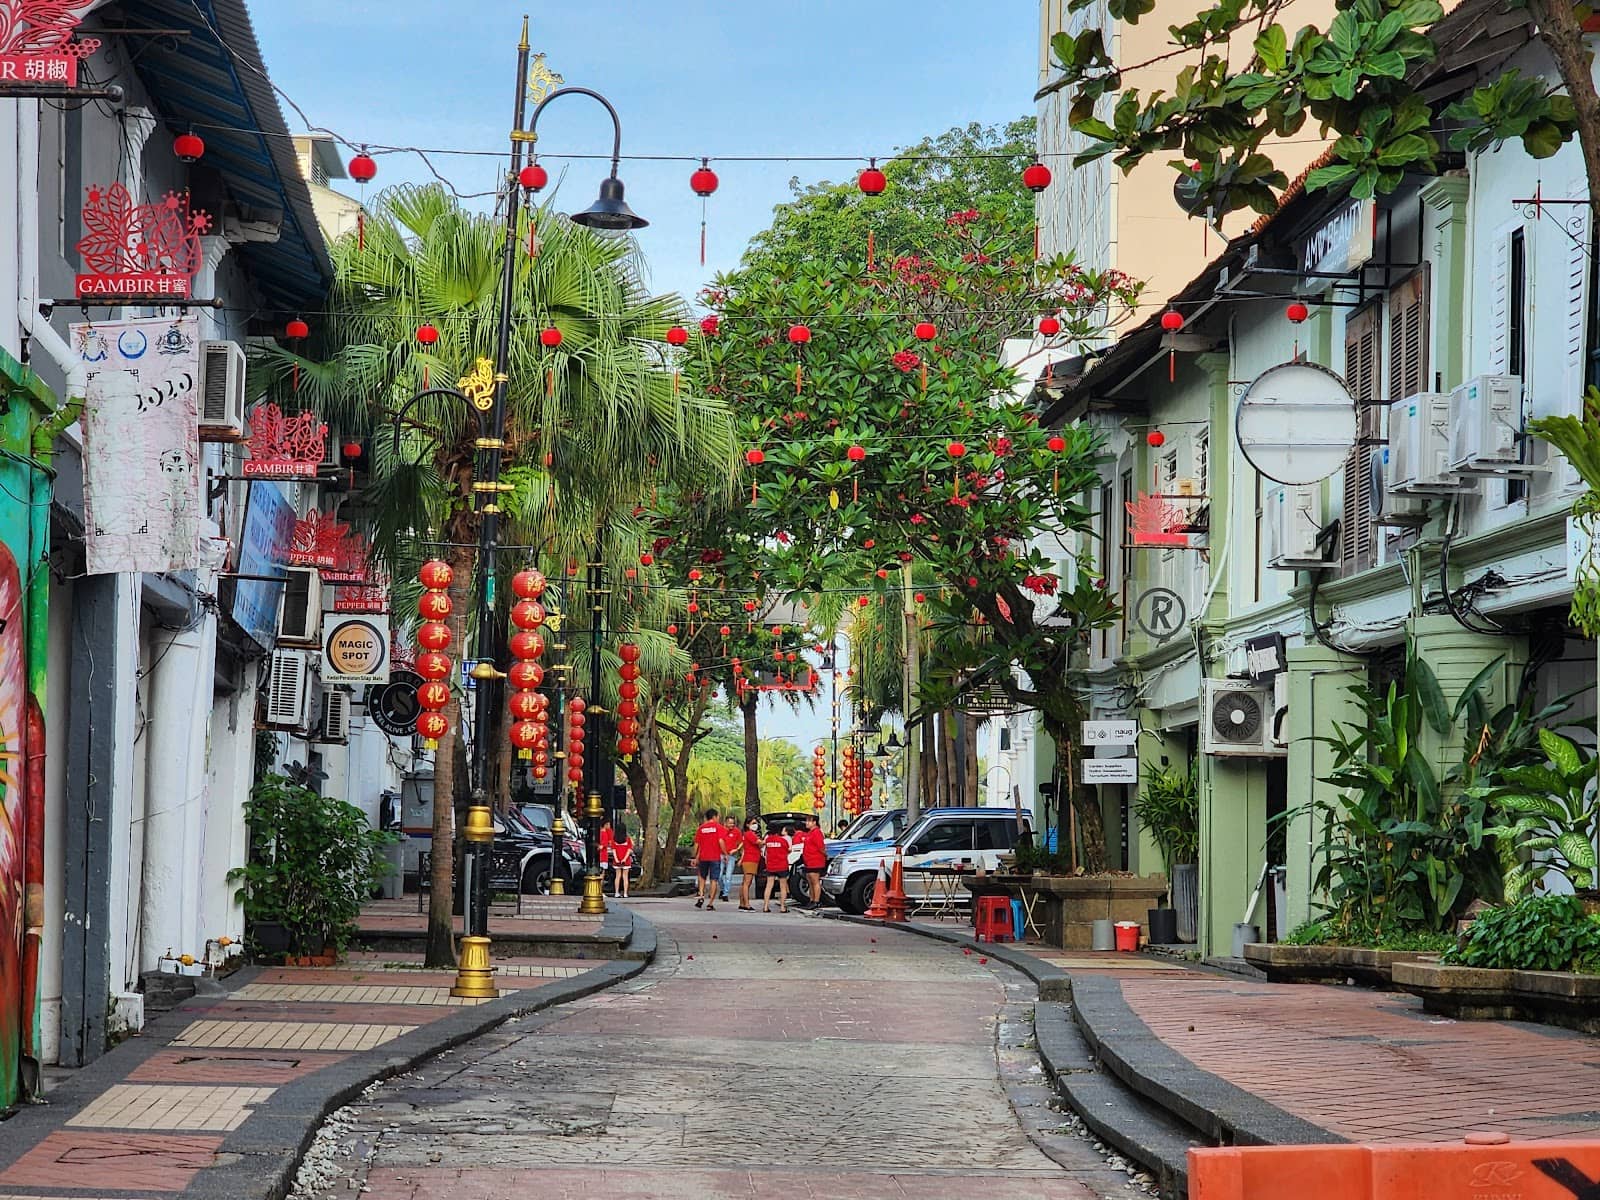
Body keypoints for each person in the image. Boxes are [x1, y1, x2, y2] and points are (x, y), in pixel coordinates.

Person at [694, 808, 725, 910]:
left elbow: (697, 845)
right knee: (714, 880)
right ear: (715, 817)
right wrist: (725, 853)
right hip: (715, 857)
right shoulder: (719, 827)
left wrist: (695, 857)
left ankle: (701, 894)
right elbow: (720, 841)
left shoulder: (701, 828)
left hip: (703, 857)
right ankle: (710, 903)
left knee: (702, 877)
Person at [762, 822, 792, 912]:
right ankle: (783, 907)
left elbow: (764, 852)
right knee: (782, 887)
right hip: (782, 865)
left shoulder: (768, 841)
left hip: (771, 866)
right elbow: (788, 850)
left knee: (769, 886)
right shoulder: (783, 841)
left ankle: (765, 906)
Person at [801, 814, 828, 908]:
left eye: (809, 821)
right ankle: (811, 899)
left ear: (814, 822)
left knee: (815, 881)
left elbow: (821, 847)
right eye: (806, 821)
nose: (806, 823)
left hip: (815, 860)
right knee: (810, 881)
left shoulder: (817, 833)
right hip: (808, 861)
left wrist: (825, 855)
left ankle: (816, 901)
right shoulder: (810, 833)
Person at [738, 816, 761, 910]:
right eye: (753, 823)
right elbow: (759, 842)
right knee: (747, 883)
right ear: (747, 824)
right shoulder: (749, 834)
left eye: (756, 823)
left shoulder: (747, 834)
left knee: (745, 883)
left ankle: (742, 903)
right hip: (750, 860)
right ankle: (746, 904)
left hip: (750, 860)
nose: (755, 825)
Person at [610, 819, 634, 899]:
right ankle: (625, 893)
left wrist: (616, 859)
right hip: (626, 860)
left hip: (617, 860)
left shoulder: (614, 840)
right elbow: (629, 850)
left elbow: (613, 850)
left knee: (617, 876)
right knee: (625, 877)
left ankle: (616, 892)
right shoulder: (628, 839)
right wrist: (624, 859)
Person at [719, 814, 740, 902]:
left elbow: (741, 842)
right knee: (718, 875)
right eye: (730, 823)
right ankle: (722, 889)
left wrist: (736, 850)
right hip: (720, 855)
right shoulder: (721, 831)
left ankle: (725, 894)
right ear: (725, 823)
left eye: (733, 823)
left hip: (731, 856)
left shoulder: (737, 831)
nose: (731, 825)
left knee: (728, 875)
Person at [598, 817, 614, 894]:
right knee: (602, 874)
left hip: (600, 855)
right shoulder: (604, 833)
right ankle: (600, 891)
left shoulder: (599, 832)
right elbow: (605, 844)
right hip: (603, 856)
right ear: (606, 824)